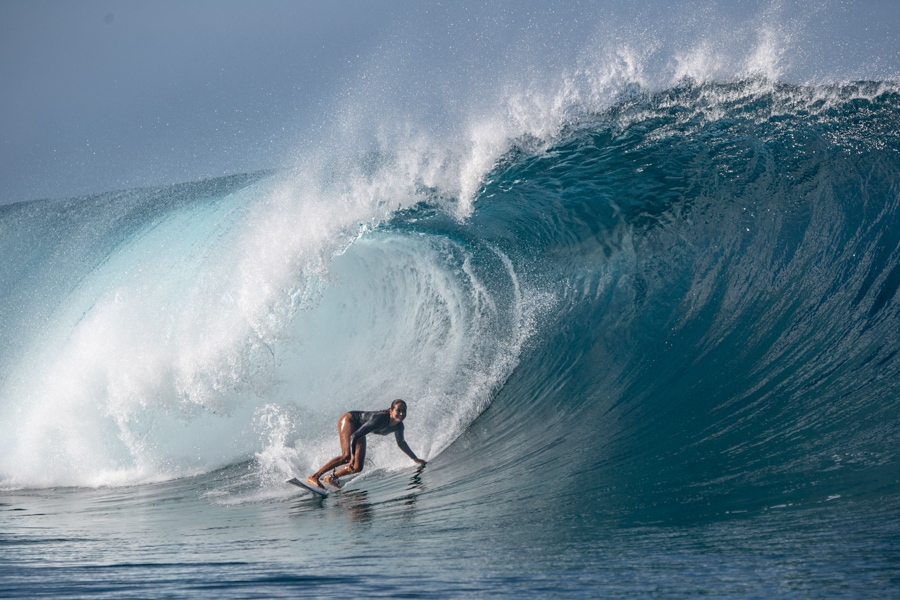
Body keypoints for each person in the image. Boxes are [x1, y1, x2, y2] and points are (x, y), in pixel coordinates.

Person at [307, 399, 426, 489]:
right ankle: (314, 476)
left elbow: (401, 443)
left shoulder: (399, 426)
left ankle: (330, 478)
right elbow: (354, 436)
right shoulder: (380, 419)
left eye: (404, 411)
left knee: (357, 467)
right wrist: (353, 457)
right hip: (350, 420)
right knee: (347, 456)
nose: (401, 413)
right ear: (391, 411)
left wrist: (415, 459)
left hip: (359, 429)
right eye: (398, 410)